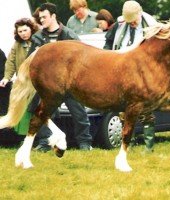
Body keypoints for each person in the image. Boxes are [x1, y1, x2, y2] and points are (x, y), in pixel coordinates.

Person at [29, 2, 92, 151]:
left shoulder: (69, 35)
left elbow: (83, 60)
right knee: (42, 114)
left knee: (79, 114)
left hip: (70, 86)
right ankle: (45, 142)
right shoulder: (37, 38)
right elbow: (31, 60)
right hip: (49, 87)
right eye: (40, 17)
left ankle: (85, 143)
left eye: (44, 17)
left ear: (53, 16)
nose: (42, 20)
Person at [104, 0, 157, 152]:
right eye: (129, 22)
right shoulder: (120, 26)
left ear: (139, 14)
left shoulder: (152, 26)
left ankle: (149, 147)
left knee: (146, 110)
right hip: (123, 72)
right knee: (124, 110)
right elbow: (108, 44)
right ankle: (129, 143)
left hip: (144, 73)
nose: (131, 24)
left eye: (133, 21)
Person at [0, 18, 37, 134]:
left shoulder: (38, 42)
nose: (23, 34)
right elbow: (10, 61)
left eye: (25, 30)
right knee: (23, 110)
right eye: (20, 32)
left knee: (35, 110)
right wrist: (6, 78)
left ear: (31, 29)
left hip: (38, 83)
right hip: (23, 82)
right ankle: (23, 136)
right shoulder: (17, 44)